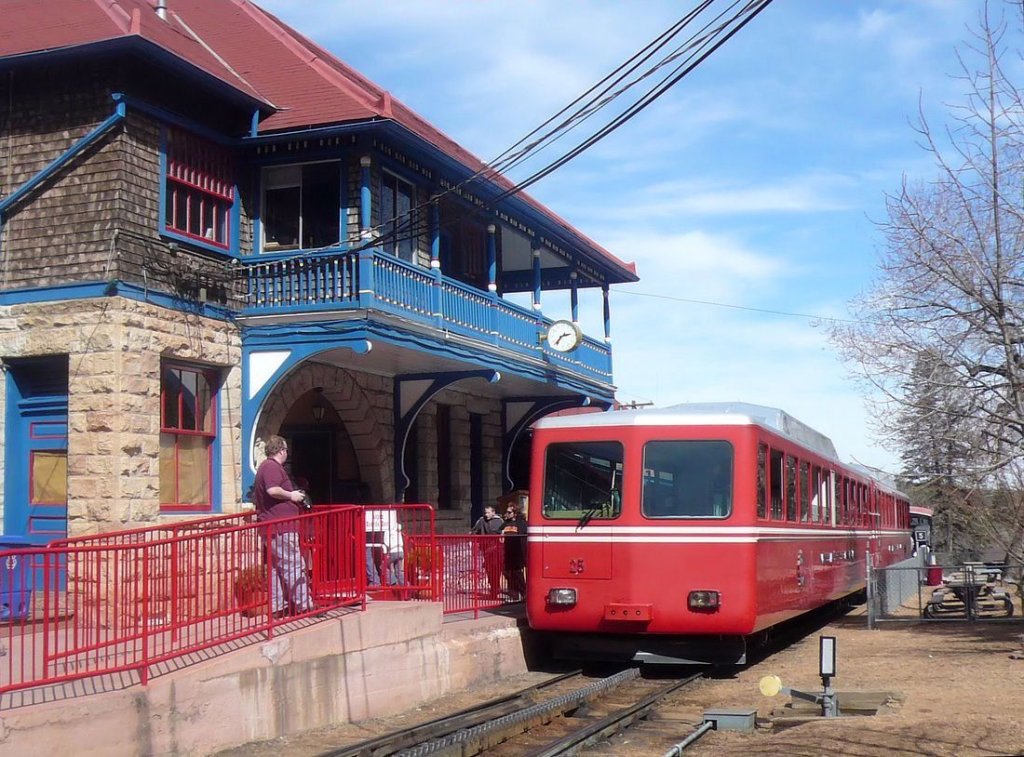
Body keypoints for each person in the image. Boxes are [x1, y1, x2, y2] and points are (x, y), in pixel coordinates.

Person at [252, 435, 313, 617]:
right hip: (281, 527)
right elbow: (272, 489)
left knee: (276, 567)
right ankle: (305, 605)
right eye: (286, 450)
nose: (287, 453)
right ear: (281, 451)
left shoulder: (266, 467)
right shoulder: (271, 467)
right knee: (293, 564)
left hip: (273, 525)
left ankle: (278, 607)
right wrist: (292, 495)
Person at [471, 505, 505, 599]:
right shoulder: (481, 520)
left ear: (493, 512)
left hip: (497, 549)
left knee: (496, 570)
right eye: (485, 512)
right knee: (489, 569)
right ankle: (494, 588)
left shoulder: (500, 521)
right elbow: (474, 530)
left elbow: (503, 533)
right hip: (486, 549)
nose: (486, 514)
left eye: (488, 512)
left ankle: (495, 589)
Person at [501, 504, 528, 601]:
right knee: (507, 572)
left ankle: (524, 592)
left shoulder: (521, 523)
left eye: (509, 512)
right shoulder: (506, 523)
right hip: (507, 551)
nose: (507, 514)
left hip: (517, 551)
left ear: (515, 513)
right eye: (506, 512)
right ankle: (514, 593)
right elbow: (498, 531)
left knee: (517, 573)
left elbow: (524, 535)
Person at [384, 522, 405, 587]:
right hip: (401, 551)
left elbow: (387, 543)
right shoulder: (398, 529)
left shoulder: (387, 531)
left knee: (384, 566)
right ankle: (403, 585)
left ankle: (392, 582)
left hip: (393, 551)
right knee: (398, 570)